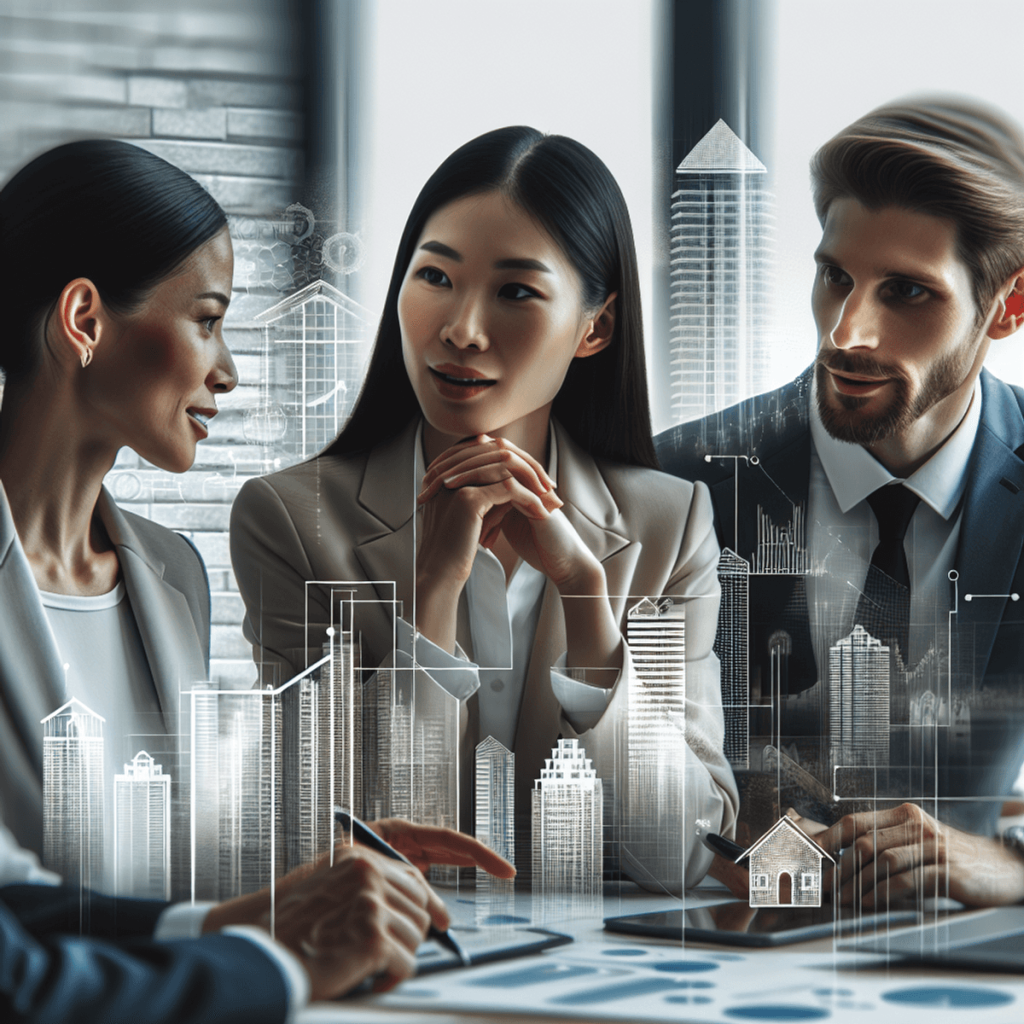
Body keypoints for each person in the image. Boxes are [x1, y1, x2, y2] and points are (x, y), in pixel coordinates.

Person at [231, 126, 739, 889]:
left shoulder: (668, 528)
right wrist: (431, 598)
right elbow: (325, 840)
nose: (461, 330)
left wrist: (589, 604)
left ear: (594, 327)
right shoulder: (291, 521)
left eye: (515, 291)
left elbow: (688, 857)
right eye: (434, 277)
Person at [656, 99, 1024, 907]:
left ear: (1008, 307)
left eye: (906, 293)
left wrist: (1009, 865)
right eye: (836, 278)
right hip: (711, 943)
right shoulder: (680, 479)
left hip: (956, 970)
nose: (847, 332)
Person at [0, 139, 237, 867]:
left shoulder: (175, 575)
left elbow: (185, 862)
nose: (226, 372)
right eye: (207, 320)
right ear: (85, 320)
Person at [0, 813, 514, 1020]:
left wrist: (244, 916)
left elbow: (11, 897)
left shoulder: (179, 579)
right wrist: (280, 956)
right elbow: (20, 990)